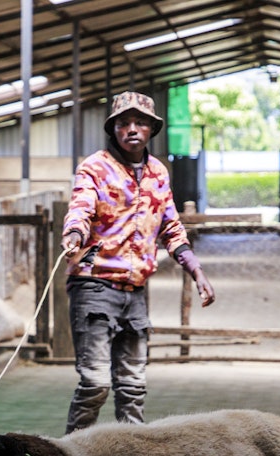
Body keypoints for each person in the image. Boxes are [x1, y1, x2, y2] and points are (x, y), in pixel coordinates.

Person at [59, 91, 216, 434]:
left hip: (135, 292)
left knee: (132, 387)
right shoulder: (94, 167)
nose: (132, 129)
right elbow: (81, 205)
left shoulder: (158, 173)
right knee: (95, 384)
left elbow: (171, 226)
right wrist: (74, 232)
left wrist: (196, 270)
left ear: (151, 130)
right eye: (124, 123)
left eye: (140, 122)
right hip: (93, 284)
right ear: (113, 128)